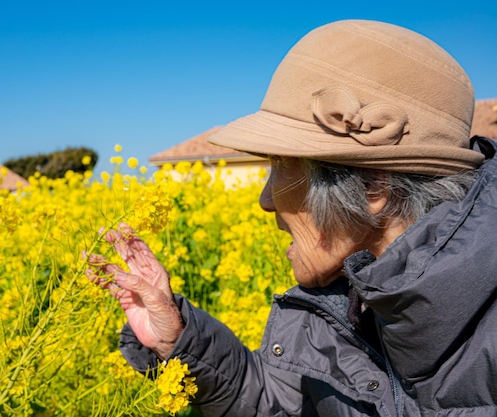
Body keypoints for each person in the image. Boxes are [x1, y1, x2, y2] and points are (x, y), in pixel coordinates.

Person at [86, 20, 497, 416]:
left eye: (281, 166)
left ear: (373, 190)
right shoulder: (342, 299)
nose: (265, 200)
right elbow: (284, 403)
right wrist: (178, 339)